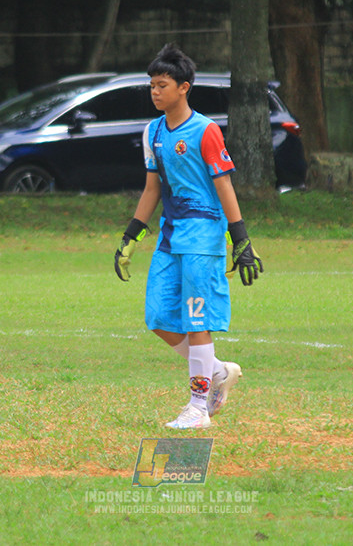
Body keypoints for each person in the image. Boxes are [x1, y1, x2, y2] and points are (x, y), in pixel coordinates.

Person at [114, 43, 264, 429]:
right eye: (151, 85)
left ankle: (198, 407)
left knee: (197, 322)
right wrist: (132, 235)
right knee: (159, 317)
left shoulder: (206, 131)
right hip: (169, 236)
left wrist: (241, 239)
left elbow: (224, 185)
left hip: (203, 237)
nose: (155, 91)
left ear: (184, 87)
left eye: (162, 84)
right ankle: (216, 371)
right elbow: (152, 189)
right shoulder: (153, 131)